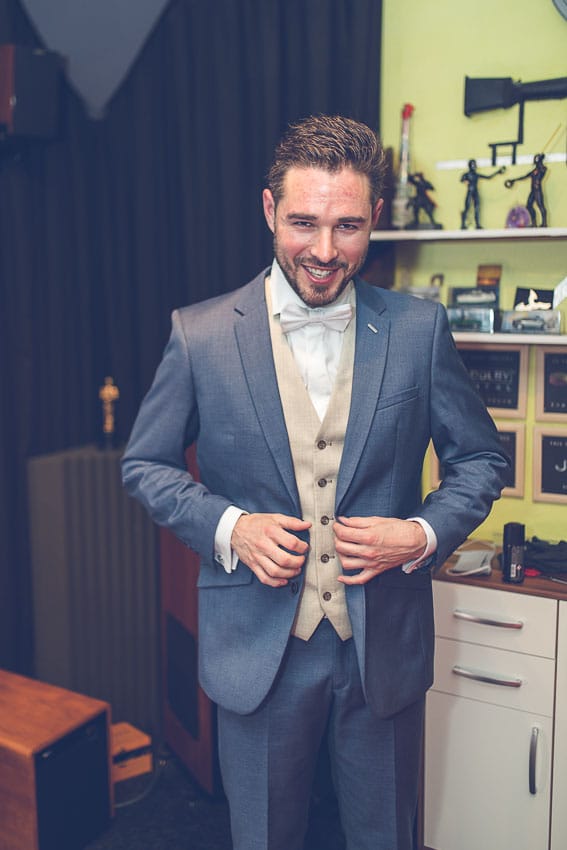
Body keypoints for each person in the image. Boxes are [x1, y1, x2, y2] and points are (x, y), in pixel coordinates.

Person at [122, 115, 509, 850]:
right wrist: (231, 527)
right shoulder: (201, 335)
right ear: (270, 210)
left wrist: (421, 533)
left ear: (375, 218)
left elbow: (481, 460)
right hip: (256, 650)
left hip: (382, 649)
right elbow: (146, 464)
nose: (325, 252)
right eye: (304, 223)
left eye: (348, 227)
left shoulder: (419, 330)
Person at [460, 158, 505, 229]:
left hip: (475, 192)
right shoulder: (466, 174)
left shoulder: (476, 175)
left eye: (475, 164)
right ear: (470, 166)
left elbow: (488, 177)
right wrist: (465, 181)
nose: (474, 166)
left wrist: (497, 172)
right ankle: (463, 224)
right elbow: (462, 179)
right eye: (473, 165)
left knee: (477, 208)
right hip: (470, 191)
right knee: (467, 207)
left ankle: (477, 224)